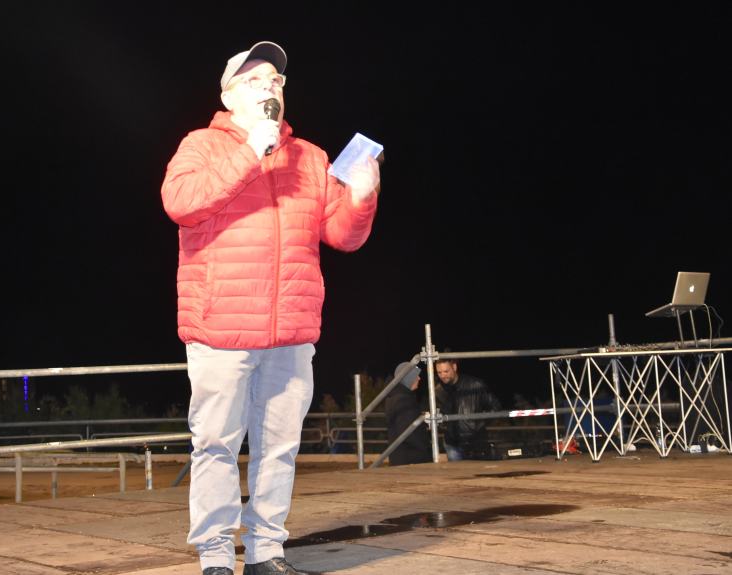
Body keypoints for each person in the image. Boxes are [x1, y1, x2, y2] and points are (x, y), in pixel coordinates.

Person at [160, 41, 380, 575]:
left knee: (279, 450)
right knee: (215, 446)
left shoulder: (311, 157)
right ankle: (215, 557)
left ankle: (266, 552)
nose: (269, 87)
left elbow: (341, 236)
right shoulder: (201, 146)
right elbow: (181, 204)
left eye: (276, 81)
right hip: (222, 329)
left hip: (291, 332)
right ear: (228, 94)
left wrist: (362, 197)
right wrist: (249, 151)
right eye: (255, 80)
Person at [434, 356, 501, 461]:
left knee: (480, 475)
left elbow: (495, 407)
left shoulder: (475, 385)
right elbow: (437, 414)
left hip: (476, 442)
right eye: (439, 372)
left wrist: (479, 423)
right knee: (457, 476)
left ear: (454, 367)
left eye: (446, 371)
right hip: (453, 444)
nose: (443, 375)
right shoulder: (437, 390)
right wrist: (444, 426)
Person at [384, 362, 431, 466]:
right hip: (411, 459)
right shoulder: (404, 400)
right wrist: (425, 449)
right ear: (407, 378)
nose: (419, 378)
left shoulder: (395, 396)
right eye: (415, 375)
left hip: (400, 457)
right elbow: (409, 432)